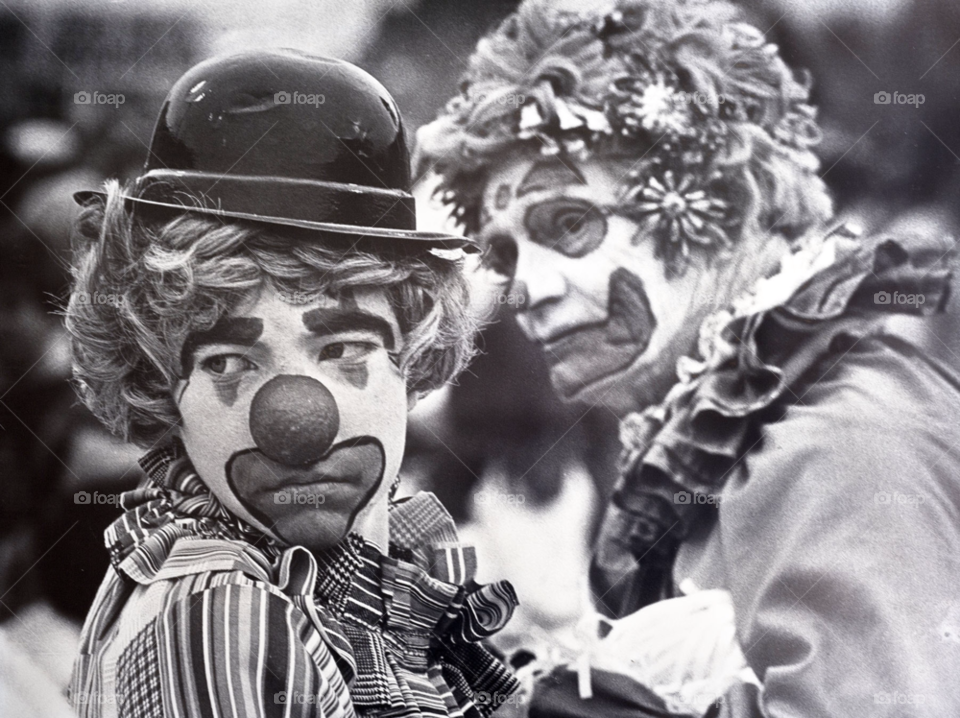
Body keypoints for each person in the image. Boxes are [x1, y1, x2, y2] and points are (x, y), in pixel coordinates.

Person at [416, 0, 960, 715]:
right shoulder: (752, 430)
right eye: (506, 252)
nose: (526, 289)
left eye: (570, 223)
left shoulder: (840, 445)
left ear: (720, 202)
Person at [66, 49, 519, 718]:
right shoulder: (224, 623)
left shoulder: (317, 583)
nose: (299, 423)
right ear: (161, 384)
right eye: (227, 362)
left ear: (414, 354)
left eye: (344, 347)